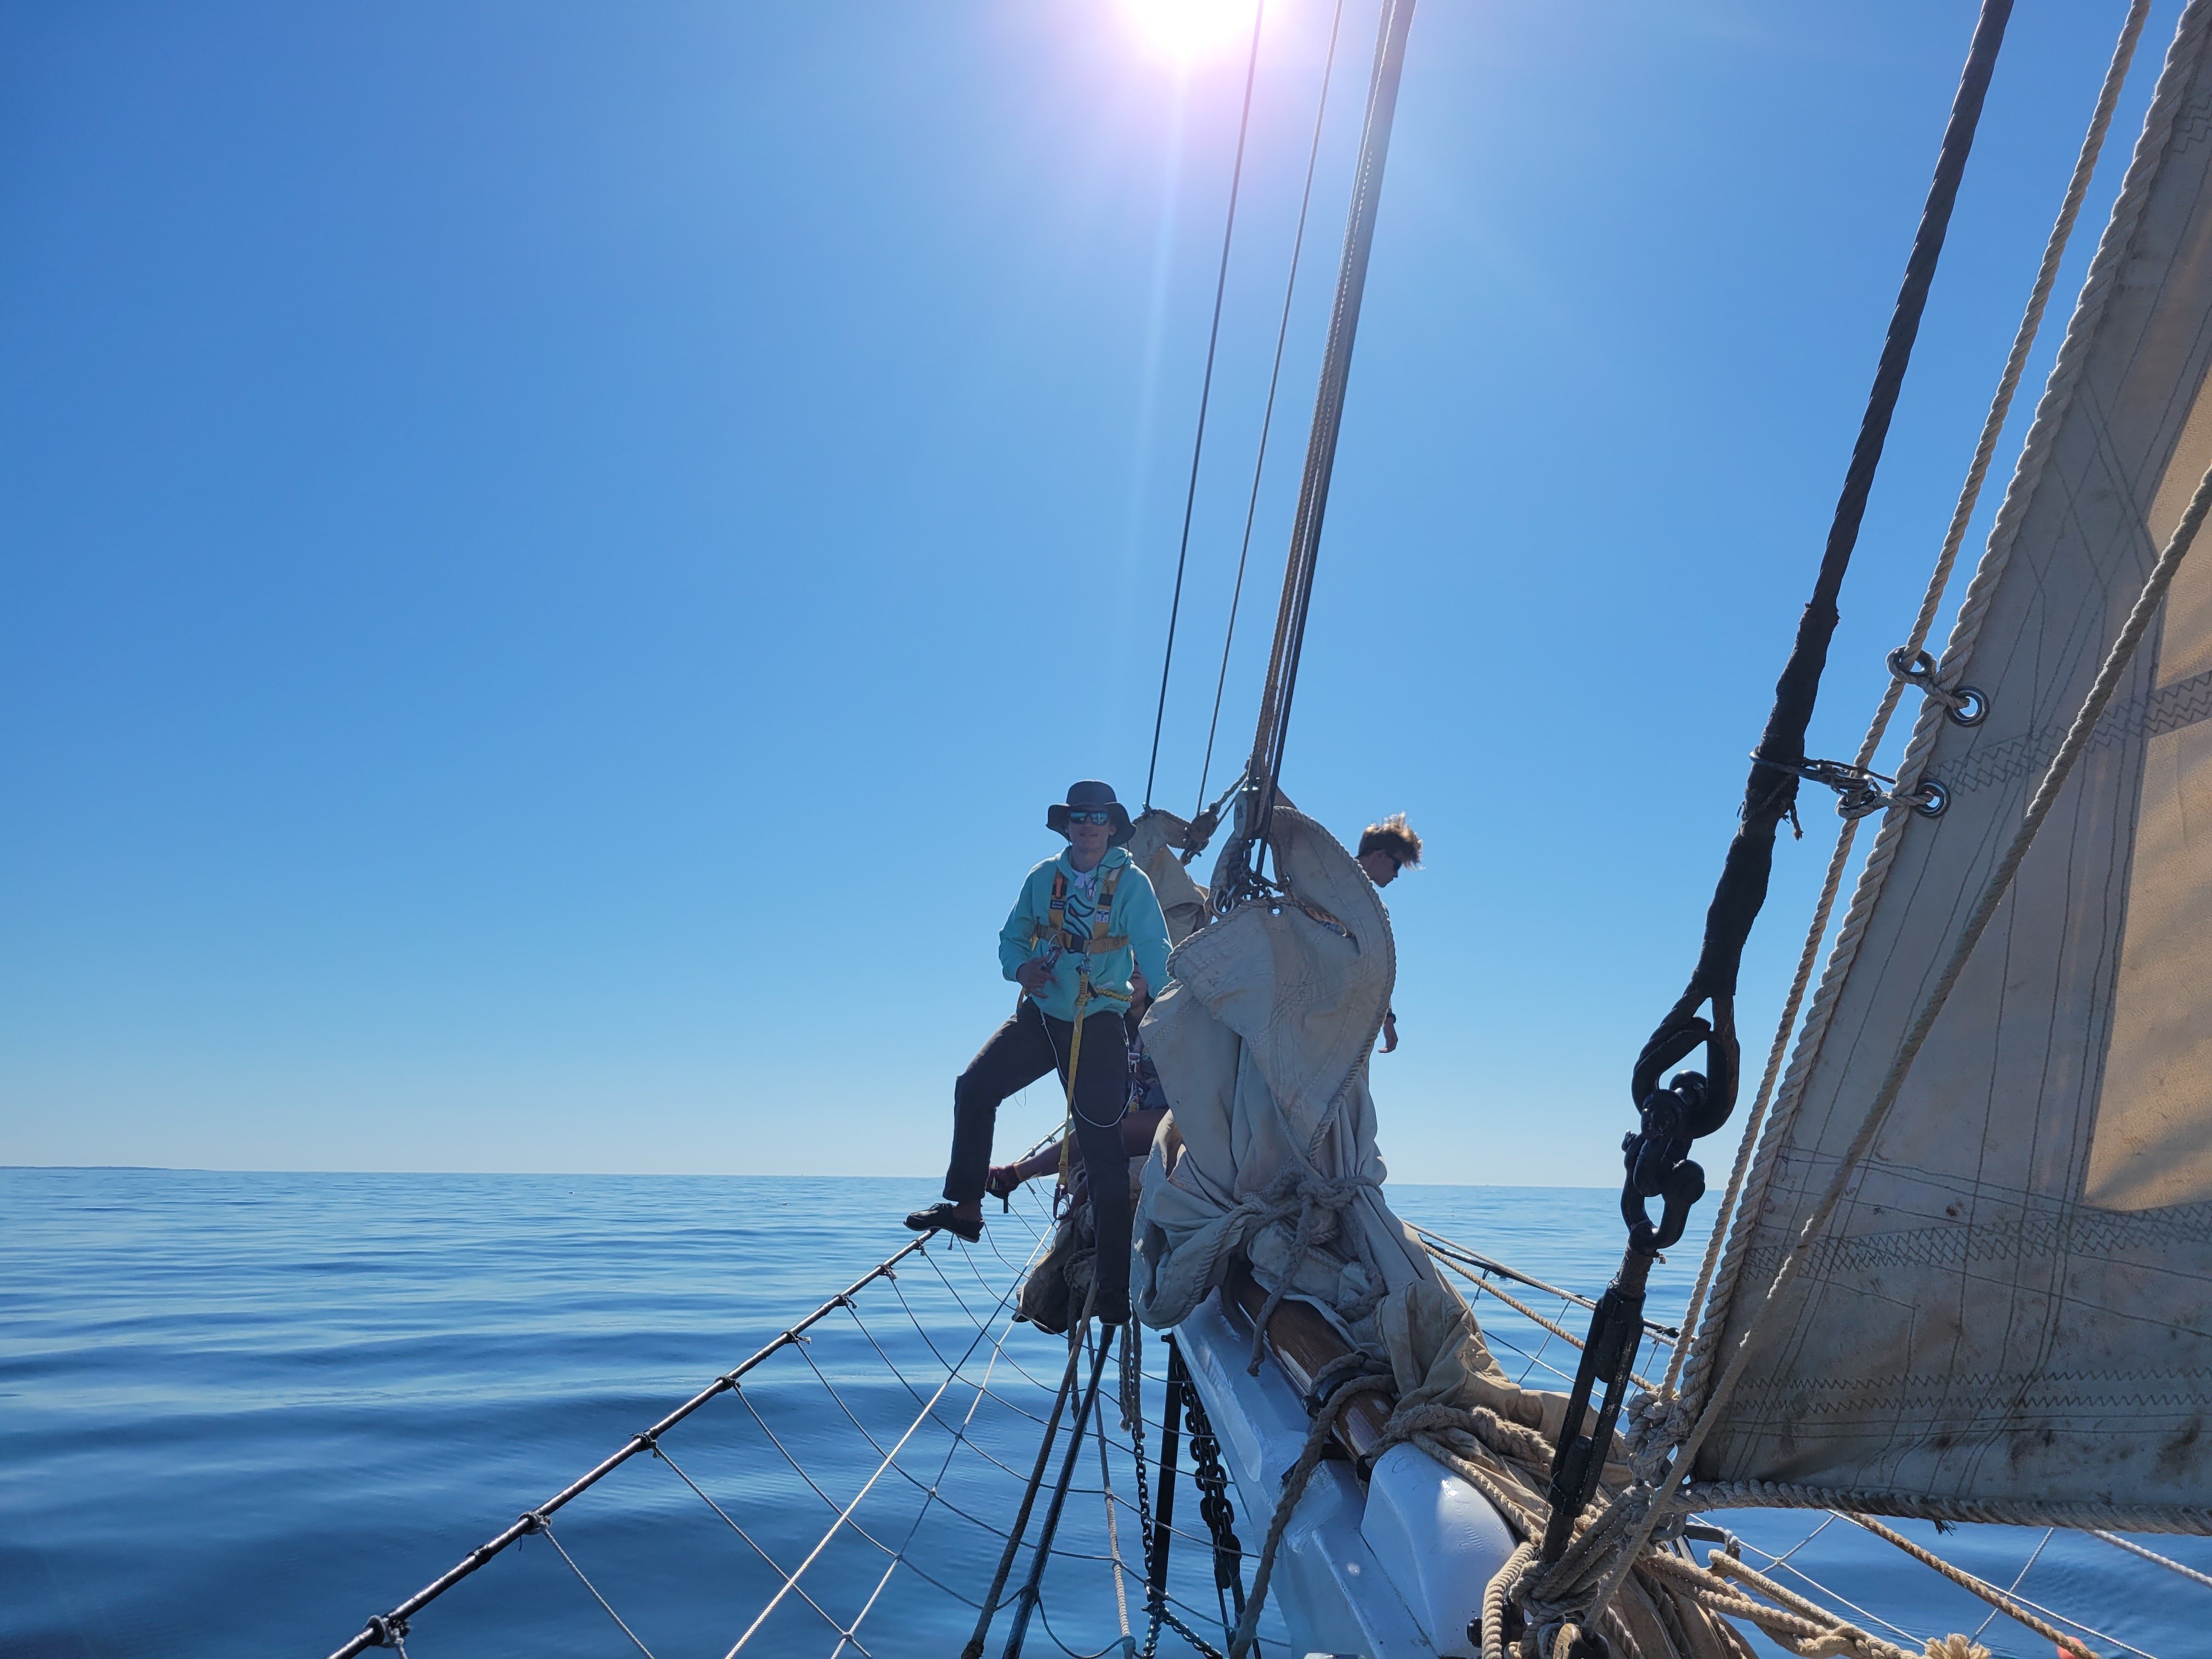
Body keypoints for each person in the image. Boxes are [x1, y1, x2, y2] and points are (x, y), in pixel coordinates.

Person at [905, 780, 1172, 1326]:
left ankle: (1115, 1293)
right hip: (1042, 1014)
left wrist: (1178, 1006)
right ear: (1068, 823)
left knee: (1103, 1152)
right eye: (1079, 816)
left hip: (1098, 1020)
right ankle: (966, 1209)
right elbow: (1012, 938)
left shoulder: (1133, 885)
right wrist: (1020, 968)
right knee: (973, 1087)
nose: (1087, 825)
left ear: (1111, 826)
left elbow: (1156, 952)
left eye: (1098, 817)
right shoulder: (1042, 877)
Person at [1355, 812, 1422, 1054]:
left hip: (1349, 1025)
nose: (1396, 875)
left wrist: (1388, 1020)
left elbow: (1379, 968)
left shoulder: (1376, 912)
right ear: (1380, 855)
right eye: (1396, 866)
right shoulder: (1326, 877)